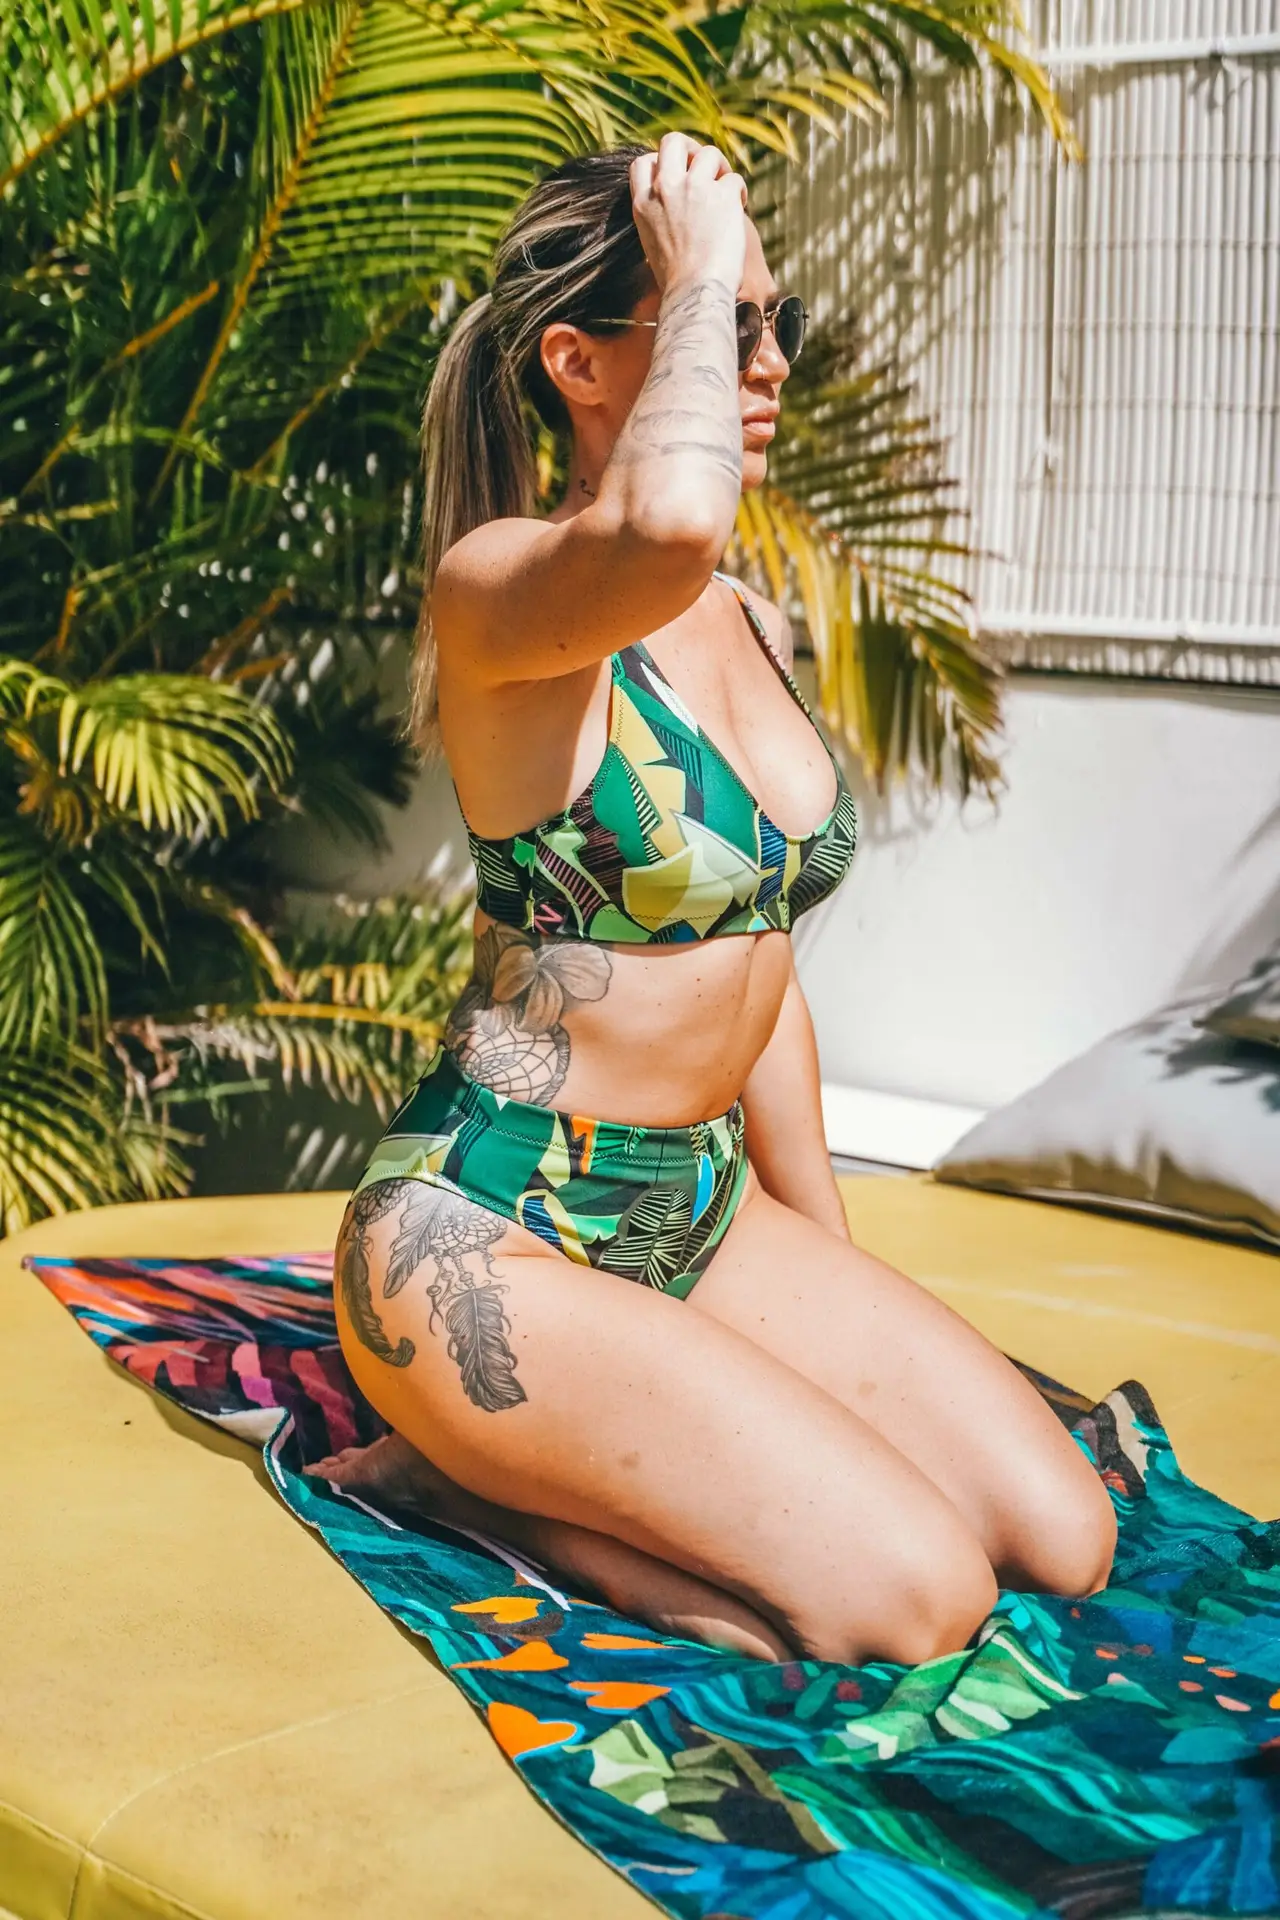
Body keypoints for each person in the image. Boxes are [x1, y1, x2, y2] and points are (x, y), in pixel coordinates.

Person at [306, 133, 1116, 1665]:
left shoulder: (748, 621)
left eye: (774, 321)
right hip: (490, 1234)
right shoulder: (504, 587)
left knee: (1063, 1537)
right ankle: (472, 1482)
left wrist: (835, 1275)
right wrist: (686, 261)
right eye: (722, 321)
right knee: (919, 1602)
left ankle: (519, 1452)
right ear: (577, 362)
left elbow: (764, 970)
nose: (768, 362)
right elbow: (666, 523)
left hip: (700, 1204)